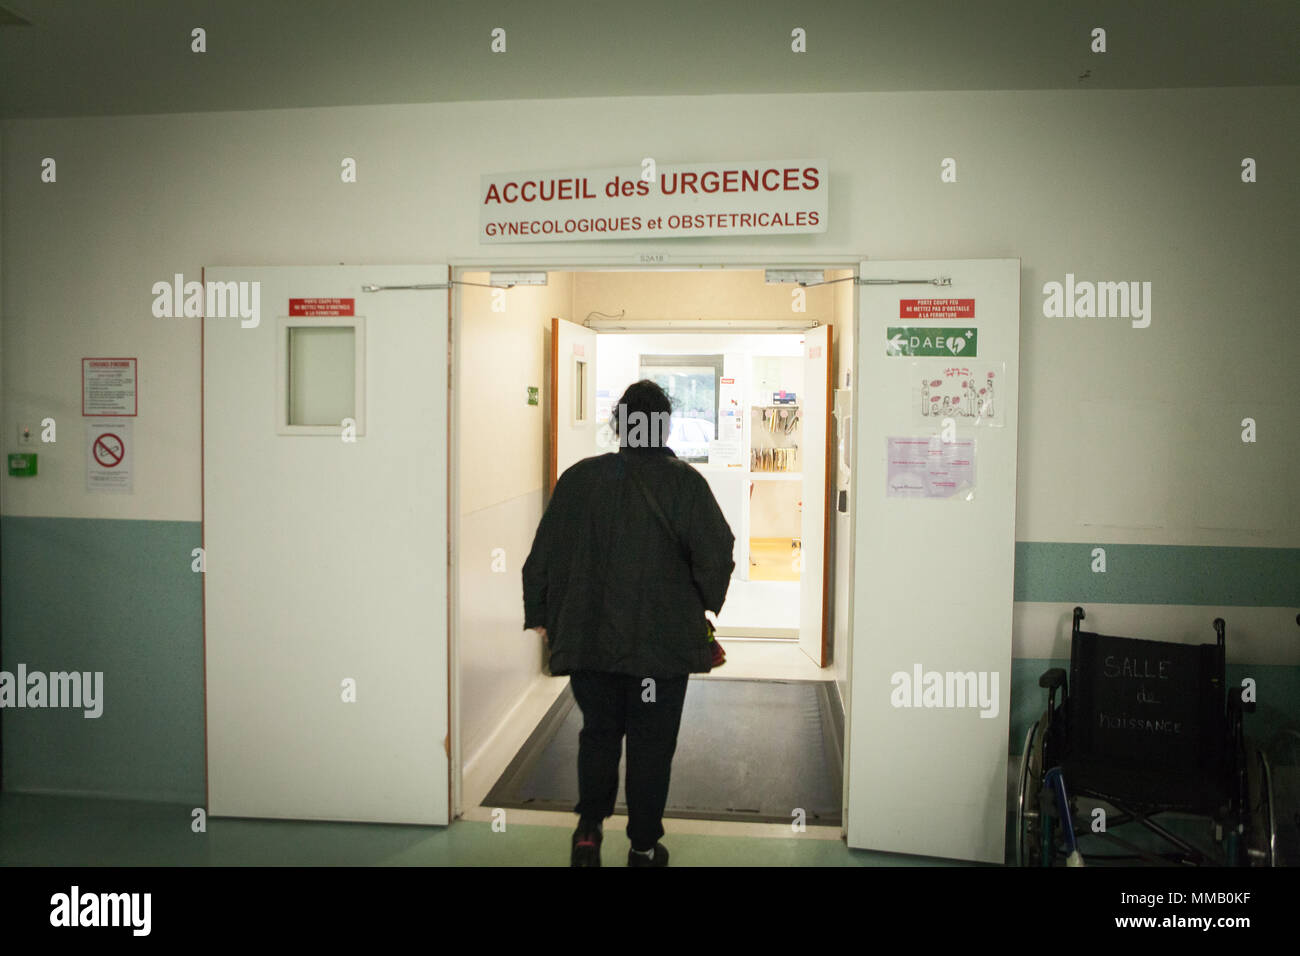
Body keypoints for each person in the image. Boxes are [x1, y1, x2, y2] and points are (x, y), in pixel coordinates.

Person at [522, 379, 735, 866]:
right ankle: (642, 846)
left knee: (598, 733)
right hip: (658, 655)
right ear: (665, 425)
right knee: (651, 746)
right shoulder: (685, 483)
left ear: (619, 424)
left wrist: (541, 616)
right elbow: (717, 555)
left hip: (591, 645)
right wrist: (702, 605)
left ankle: (588, 832)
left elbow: (544, 555)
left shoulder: (579, 479)